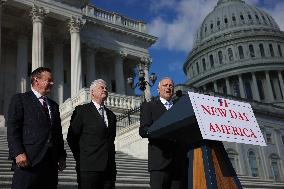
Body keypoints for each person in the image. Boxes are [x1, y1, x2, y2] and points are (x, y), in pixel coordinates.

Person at [7, 67, 66, 189]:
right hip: (28, 160)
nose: (52, 83)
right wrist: (18, 152)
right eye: (49, 80)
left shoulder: (54, 105)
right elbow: (13, 128)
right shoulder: (21, 99)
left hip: (50, 163)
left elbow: (58, 134)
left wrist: (61, 155)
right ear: (36, 80)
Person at [67, 79, 117, 189]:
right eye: (101, 87)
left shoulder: (111, 115)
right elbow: (71, 137)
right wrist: (81, 157)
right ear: (92, 92)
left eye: (106, 88)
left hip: (109, 170)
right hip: (88, 168)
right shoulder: (81, 111)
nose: (105, 89)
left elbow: (111, 141)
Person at [140, 77, 186, 189]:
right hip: (160, 162)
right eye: (165, 85)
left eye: (171, 85)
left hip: (178, 163)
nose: (168, 88)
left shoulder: (179, 108)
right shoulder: (150, 106)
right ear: (158, 89)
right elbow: (143, 130)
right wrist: (160, 130)